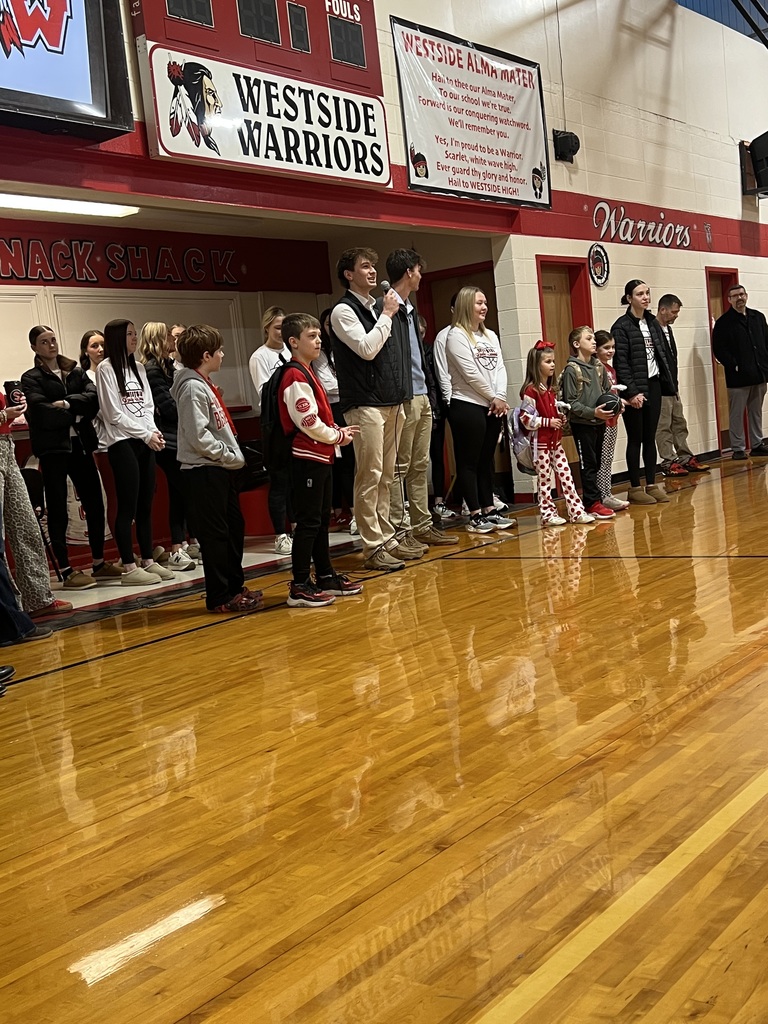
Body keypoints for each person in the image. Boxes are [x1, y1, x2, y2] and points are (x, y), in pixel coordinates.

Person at [172, 324, 263, 614]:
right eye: (220, 351)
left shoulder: (204, 383)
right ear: (206, 355)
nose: (223, 355)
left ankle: (235, 587)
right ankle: (220, 596)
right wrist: (226, 455)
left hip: (219, 470)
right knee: (216, 537)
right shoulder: (190, 387)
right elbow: (198, 436)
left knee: (234, 530)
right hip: (204, 471)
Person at [22, 325, 122, 588]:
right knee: (57, 508)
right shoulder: (31, 377)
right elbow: (41, 412)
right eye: (44, 342)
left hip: (81, 445)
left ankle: (99, 563)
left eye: (53, 339)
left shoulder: (75, 371)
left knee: (94, 502)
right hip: (54, 449)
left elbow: (93, 401)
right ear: (34, 347)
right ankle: (66, 570)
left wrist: (66, 405)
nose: (51, 345)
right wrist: (76, 411)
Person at [329, 246, 408, 572]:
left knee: (387, 476)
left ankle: (387, 538)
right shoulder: (342, 312)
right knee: (370, 475)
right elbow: (365, 348)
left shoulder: (377, 307)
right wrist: (387, 315)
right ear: (349, 274)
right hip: (364, 405)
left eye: (374, 266)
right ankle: (372, 545)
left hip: (390, 401)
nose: (373, 271)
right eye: (365, 266)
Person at [278, 313, 362, 606]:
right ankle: (299, 583)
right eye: (311, 336)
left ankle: (325, 574)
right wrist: (337, 436)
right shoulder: (294, 375)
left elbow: (318, 419)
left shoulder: (308, 371)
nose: (318, 340)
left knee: (320, 521)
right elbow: (308, 421)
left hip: (321, 455)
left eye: (318, 335)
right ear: (293, 342)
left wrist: (336, 430)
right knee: (309, 522)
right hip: (306, 458)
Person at [385, 248, 458, 550]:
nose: (421, 275)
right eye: (418, 270)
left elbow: (418, 356)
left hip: (421, 394)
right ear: (408, 272)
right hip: (402, 398)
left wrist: (428, 389)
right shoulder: (387, 307)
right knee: (399, 467)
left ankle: (422, 525)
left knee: (420, 464)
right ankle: (400, 530)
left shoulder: (412, 310)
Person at [97, 319, 174, 586]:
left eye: (135, 333)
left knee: (145, 505)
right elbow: (112, 412)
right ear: (117, 337)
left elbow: (149, 404)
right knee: (127, 506)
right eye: (129, 334)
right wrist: (144, 434)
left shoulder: (139, 367)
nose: (134, 338)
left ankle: (148, 560)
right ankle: (128, 566)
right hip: (122, 442)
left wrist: (153, 433)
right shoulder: (105, 369)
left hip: (145, 440)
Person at [444, 286, 514, 533]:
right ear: (465, 306)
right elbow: (470, 373)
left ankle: (489, 509)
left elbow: (500, 368)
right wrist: (493, 396)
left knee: (487, 460)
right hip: (467, 404)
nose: (484, 307)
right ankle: (474, 514)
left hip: (492, 405)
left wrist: (501, 396)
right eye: (478, 303)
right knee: (469, 461)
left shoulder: (491, 335)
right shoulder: (456, 335)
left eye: (485, 303)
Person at [0, 391, 73, 618]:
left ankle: (37, 599)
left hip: (6, 447)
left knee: (27, 526)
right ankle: (10, 609)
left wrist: (15, 411)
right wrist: (3, 416)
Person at [138, 322, 196, 571]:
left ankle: (186, 542)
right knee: (181, 490)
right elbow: (169, 407)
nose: (173, 342)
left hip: (178, 436)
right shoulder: (152, 369)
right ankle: (176, 547)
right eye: (167, 338)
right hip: (167, 440)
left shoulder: (170, 366)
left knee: (183, 492)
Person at [611, 279, 675, 504]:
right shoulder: (621, 326)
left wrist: (670, 384)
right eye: (640, 294)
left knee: (650, 438)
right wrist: (631, 393)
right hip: (635, 389)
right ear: (629, 298)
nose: (646, 297)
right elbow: (622, 363)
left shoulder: (653, 323)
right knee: (635, 438)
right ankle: (635, 487)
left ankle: (651, 483)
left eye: (647, 293)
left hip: (654, 385)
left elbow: (664, 355)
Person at [519, 341, 594, 527]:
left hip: (555, 443)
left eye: (553, 361)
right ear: (536, 365)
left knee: (567, 477)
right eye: (547, 361)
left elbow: (548, 415)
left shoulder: (550, 391)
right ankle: (547, 514)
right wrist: (548, 422)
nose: (552, 365)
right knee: (545, 481)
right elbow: (525, 418)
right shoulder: (531, 391)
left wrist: (559, 417)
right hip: (541, 445)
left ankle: (576, 511)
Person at [249, 305, 294, 554]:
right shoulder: (260, 356)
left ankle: (297, 525)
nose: (281, 332)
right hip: (274, 424)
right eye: (277, 327)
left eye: (284, 327)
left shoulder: (292, 351)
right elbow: (264, 392)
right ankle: (280, 534)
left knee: (296, 481)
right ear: (267, 327)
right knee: (279, 483)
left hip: (296, 422)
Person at [559, 326, 616, 519]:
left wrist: (615, 406)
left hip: (599, 422)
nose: (594, 342)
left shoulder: (598, 366)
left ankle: (594, 499)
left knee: (597, 462)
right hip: (582, 423)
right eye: (589, 339)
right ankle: (592, 502)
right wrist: (593, 412)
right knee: (588, 464)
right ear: (577, 344)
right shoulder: (571, 370)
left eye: (593, 338)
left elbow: (607, 391)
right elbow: (571, 403)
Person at [654, 295, 710, 476]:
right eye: (674, 312)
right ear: (663, 309)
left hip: (672, 386)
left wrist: (675, 384)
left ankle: (685, 457)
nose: (676, 316)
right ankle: (668, 461)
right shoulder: (651, 330)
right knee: (663, 426)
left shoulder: (668, 330)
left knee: (679, 423)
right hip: (660, 388)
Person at [712, 283, 768, 460]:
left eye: (741, 294)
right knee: (736, 413)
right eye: (735, 296)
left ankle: (757, 443)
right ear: (729, 300)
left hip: (759, 374)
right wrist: (733, 364)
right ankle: (737, 448)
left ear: (746, 295)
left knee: (756, 411)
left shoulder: (758, 317)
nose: (739, 298)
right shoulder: (723, 323)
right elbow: (719, 349)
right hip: (738, 377)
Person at [314, 306, 355, 530]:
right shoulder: (321, 353)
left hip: (353, 405)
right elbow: (328, 385)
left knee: (355, 461)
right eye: (328, 325)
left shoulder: (348, 346)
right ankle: (343, 511)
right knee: (342, 464)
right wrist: (349, 385)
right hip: (333, 409)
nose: (332, 329)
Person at [593, 330, 629, 511]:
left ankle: (607, 493)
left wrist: (619, 403)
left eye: (613, 347)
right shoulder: (596, 369)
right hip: (602, 421)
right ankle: (602, 495)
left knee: (608, 458)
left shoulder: (610, 369)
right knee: (602, 459)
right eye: (606, 347)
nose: (611, 351)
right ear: (596, 349)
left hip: (613, 420)